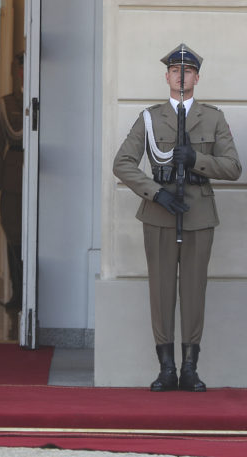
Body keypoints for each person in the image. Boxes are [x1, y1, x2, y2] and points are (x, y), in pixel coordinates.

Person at [113, 44, 241, 393]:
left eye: (187, 71)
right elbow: (122, 163)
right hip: (160, 211)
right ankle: (166, 368)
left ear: (196, 77)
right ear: (166, 76)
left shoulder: (213, 117)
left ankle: (190, 368)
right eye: (174, 71)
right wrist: (157, 193)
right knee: (162, 290)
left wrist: (197, 158)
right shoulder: (150, 118)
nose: (180, 76)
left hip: (198, 212)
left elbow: (232, 167)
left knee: (194, 291)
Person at [0, 51, 24, 339]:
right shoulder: (7, 105)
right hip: (12, 184)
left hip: (47, 184)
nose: (25, 72)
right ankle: (19, 295)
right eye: (21, 67)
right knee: (15, 241)